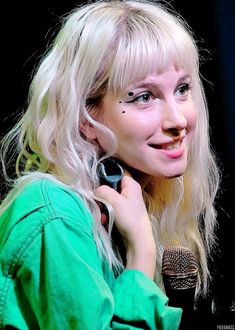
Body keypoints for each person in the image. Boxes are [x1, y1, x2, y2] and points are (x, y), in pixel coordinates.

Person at [0, 0, 220, 329]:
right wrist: (141, 254)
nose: (178, 120)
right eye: (144, 96)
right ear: (87, 117)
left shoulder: (128, 207)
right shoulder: (55, 214)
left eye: (182, 89)